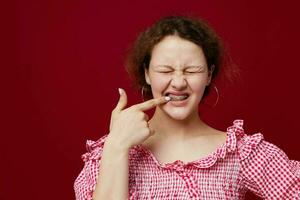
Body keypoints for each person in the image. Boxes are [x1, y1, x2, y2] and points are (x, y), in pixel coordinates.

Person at [74, 15, 300, 199]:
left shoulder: (239, 153)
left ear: (209, 74)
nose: (179, 82)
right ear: (147, 73)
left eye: (192, 71)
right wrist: (117, 145)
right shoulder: (109, 154)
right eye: (165, 70)